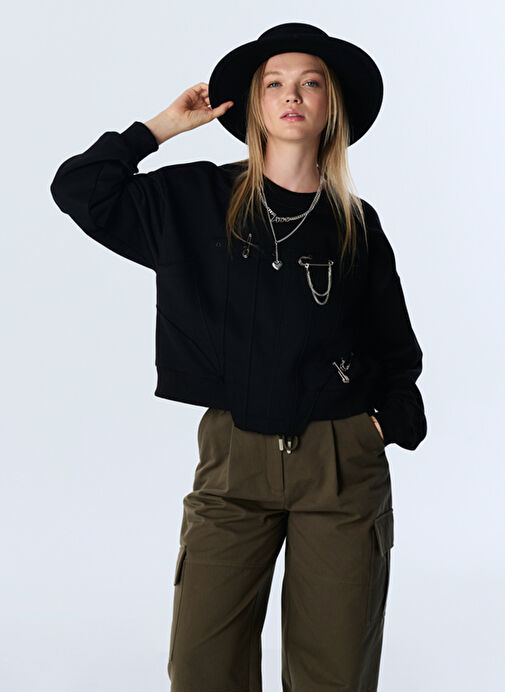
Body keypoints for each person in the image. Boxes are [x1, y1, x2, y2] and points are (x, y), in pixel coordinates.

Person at [50, 21, 427, 692]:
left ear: (330, 106)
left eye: (309, 83)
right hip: (232, 462)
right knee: (202, 668)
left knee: (334, 675)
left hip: (339, 466)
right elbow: (79, 190)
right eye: (274, 84)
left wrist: (379, 429)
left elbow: (396, 351)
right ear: (254, 104)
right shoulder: (195, 201)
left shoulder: (355, 223)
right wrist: (160, 129)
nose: (292, 96)